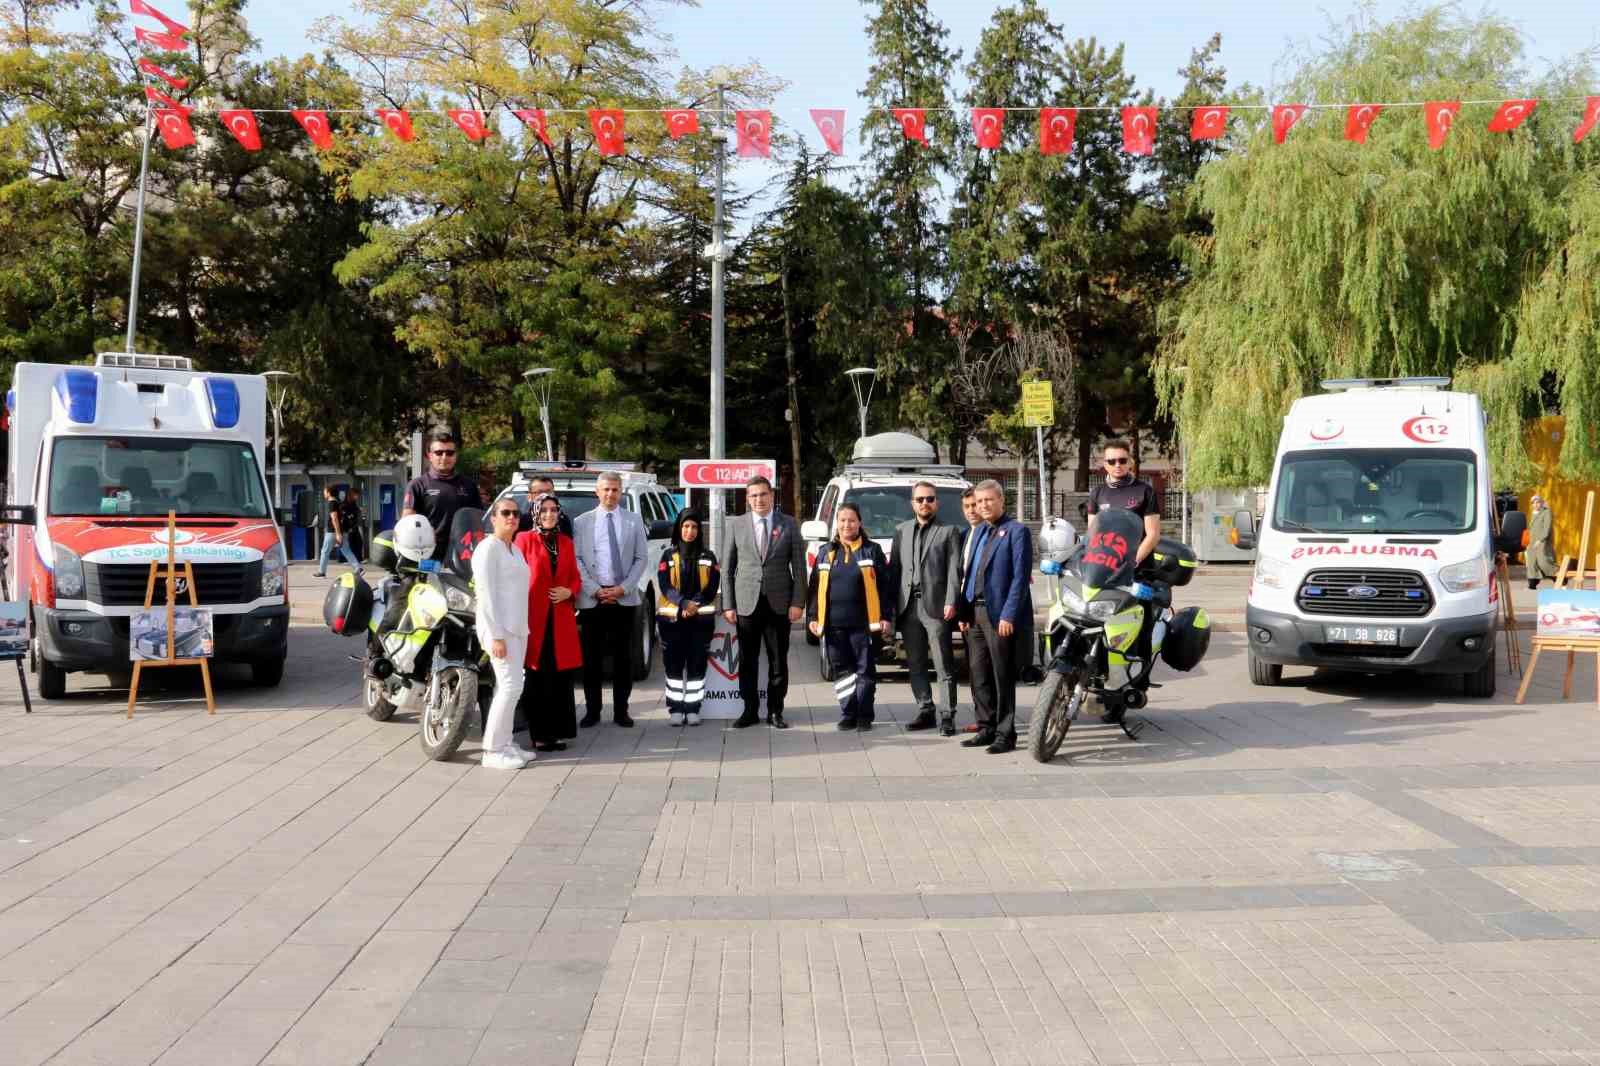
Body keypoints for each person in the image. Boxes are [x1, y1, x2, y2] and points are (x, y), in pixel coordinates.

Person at [723, 476, 807, 730]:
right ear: (748, 499)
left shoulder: (789, 524)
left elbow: (800, 569)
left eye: (763, 494)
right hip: (746, 603)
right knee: (747, 661)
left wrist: (798, 603)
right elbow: (727, 567)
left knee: (778, 661)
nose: (758, 500)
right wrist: (728, 604)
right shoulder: (737, 525)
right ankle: (749, 711)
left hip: (779, 604)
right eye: (753, 496)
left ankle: (775, 712)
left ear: (772, 496)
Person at [958, 480, 1033, 754]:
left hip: (999, 615)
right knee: (978, 674)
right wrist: (964, 610)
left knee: (1001, 675)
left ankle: (1005, 733)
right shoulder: (977, 532)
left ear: (1002, 500)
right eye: (979, 502)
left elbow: (1020, 578)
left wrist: (1009, 614)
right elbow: (969, 573)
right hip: (975, 613)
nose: (983, 506)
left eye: (989, 500)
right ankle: (985, 726)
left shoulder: (1016, 531)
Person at [572, 471, 648, 728]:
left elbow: (641, 559)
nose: (610, 494)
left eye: (615, 490)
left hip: (623, 599)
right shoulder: (582, 522)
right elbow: (577, 560)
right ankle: (592, 711)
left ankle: (621, 711)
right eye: (605, 489)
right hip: (592, 599)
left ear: (621, 492)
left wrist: (623, 588)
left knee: (623, 659)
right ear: (597, 491)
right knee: (591, 659)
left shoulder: (633, 521)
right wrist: (594, 589)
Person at [807, 503, 892, 730]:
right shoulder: (826, 552)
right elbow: (814, 588)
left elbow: (884, 587)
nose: (847, 525)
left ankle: (864, 715)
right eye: (843, 520)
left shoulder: (871, 550)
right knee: (842, 672)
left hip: (864, 625)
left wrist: (886, 616)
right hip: (833, 625)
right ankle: (848, 713)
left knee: (865, 671)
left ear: (860, 523)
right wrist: (813, 617)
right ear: (837, 523)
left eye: (852, 520)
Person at [890, 481, 961, 736]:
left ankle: (947, 715)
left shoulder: (949, 531)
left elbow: (954, 571)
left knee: (943, 664)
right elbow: (895, 571)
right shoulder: (901, 530)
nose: (924, 503)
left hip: (936, 607)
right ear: (912, 503)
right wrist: (891, 609)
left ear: (936, 502)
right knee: (916, 663)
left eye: (929, 499)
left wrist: (952, 600)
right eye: (919, 499)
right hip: (908, 606)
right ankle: (925, 709)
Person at [514, 493, 582, 751]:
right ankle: (539, 734)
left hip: (561, 619)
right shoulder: (524, 539)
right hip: (535, 619)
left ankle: (559, 731)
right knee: (538, 677)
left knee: (560, 677)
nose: (550, 514)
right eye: (544, 510)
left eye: (554, 510)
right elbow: (515, 575)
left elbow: (575, 577)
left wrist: (570, 592)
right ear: (535, 513)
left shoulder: (565, 542)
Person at [472, 498, 534, 770]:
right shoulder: (488, 549)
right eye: (505, 513)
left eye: (515, 513)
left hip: (518, 628)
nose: (511, 517)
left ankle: (506, 742)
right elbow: (485, 594)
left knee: (510, 687)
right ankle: (492, 750)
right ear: (493, 518)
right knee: (510, 687)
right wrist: (495, 635)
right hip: (499, 629)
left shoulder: (514, 549)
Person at [656, 508, 719, 726]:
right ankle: (675, 708)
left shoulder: (709, 556)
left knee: (696, 665)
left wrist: (694, 604)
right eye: (685, 526)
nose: (689, 531)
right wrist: (682, 603)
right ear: (678, 528)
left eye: (694, 527)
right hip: (672, 621)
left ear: (699, 530)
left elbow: (712, 587)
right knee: (673, 667)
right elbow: (665, 585)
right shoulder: (667, 555)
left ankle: (693, 708)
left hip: (700, 621)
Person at [403, 429, 484, 564]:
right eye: (439, 453)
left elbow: (477, 520)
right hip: (428, 555)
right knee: (425, 585)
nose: (444, 457)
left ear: (456, 456)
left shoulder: (469, 485)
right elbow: (407, 522)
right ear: (429, 455)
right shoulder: (417, 485)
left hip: (461, 555)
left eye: (450, 453)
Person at [1087, 439, 1162, 563]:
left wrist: (1132, 562)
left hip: (1139, 565)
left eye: (1122, 460)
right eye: (1111, 461)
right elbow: (1093, 533)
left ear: (1130, 462)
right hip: (1106, 564)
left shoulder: (1145, 491)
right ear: (1105, 464)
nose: (1117, 465)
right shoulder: (1097, 493)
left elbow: (1153, 535)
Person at [315, 485, 361, 577]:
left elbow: (334, 518)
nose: (324, 493)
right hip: (340, 531)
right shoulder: (338, 502)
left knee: (325, 551)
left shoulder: (332, 503)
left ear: (328, 492)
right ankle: (358, 568)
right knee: (346, 550)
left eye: (325, 491)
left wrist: (338, 533)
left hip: (333, 531)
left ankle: (321, 571)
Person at [1528, 494, 1556, 590]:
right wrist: (1526, 542)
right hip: (1531, 542)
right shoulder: (1532, 513)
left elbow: (1547, 528)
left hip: (1542, 541)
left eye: (1538, 502)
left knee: (1544, 561)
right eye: (1534, 503)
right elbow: (1529, 529)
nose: (1536, 504)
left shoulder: (1546, 512)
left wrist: (1540, 540)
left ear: (1542, 503)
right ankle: (1532, 585)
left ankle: (1559, 577)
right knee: (1532, 563)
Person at [340, 484, 366, 564]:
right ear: (352, 495)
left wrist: (359, 510)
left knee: (358, 542)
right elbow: (345, 513)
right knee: (351, 543)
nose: (357, 497)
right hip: (348, 527)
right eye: (356, 495)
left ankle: (358, 559)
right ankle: (349, 559)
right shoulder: (345, 504)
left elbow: (355, 510)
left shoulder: (353, 502)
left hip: (354, 526)